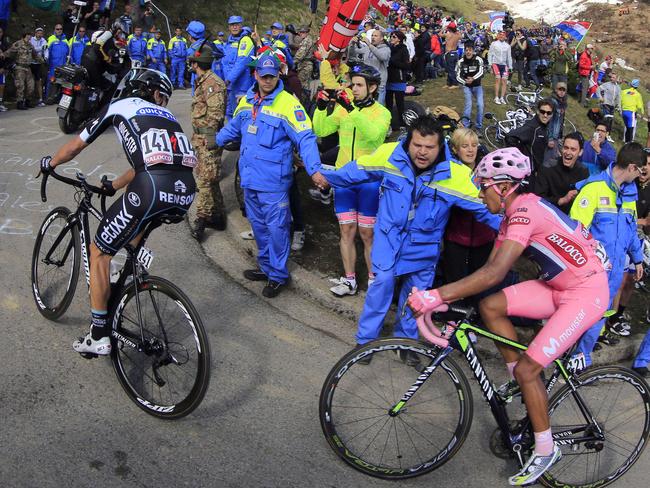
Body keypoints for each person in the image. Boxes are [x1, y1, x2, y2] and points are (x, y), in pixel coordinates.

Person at [407, 147, 609, 487]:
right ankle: (519, 377)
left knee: (533, 367)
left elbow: (494, 271)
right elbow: (490, 272)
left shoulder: (525, 212)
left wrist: (435, 295)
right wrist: (445, 299)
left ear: (502, 186)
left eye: (482, 185)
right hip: (558, 286)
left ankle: (545, 449)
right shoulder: (512, 214)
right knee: (491, 307)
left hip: (586, 293)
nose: (478, 192)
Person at [39, 68, 196, 356]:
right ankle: (123, 285)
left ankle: (98, 335)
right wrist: (113, 185)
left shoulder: (120, 106)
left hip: (151, 188)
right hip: (185, 191)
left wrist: (51, 163)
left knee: (99, 251)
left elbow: (75, 146)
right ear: (155, 93)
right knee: (133, 234)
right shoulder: (169, 118)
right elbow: (147, 164)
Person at [319, 115, 500, 353]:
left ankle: (405, 344)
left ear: (441, 147)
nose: (422, 152)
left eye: (429, 147)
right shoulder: (389, 155)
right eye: (417, 145)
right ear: (408, 143)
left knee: (415, 300)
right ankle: (365, 342)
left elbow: (489, 211)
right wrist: (324, 176)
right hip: (389, 240)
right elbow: (356, 171)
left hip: (423, 250)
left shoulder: (456, 176)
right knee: (381, 285)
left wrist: (523, 233)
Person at [216, 52, 325, 298]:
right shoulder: (247, 100)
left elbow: (305, 138)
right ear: (255, 75)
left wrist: (314, 169)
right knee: (259, 227)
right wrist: (213, 141)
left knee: (276, 229)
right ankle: (265, 268)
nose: (267, 80)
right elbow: (234, 127)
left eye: (272, 76)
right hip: (250, 179)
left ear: (278, 75)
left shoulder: (288, 103)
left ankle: (278, 275)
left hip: (274, 182)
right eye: (263, 76)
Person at [313, 64, 391, 296]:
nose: (353, 89)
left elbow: (374, 136)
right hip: (345, 180)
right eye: (352, 84)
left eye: (359, 85)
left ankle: (374, 281)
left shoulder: (382, 113)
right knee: (346, 231)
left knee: (368, 234)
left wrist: (352, 110)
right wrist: (320, 108)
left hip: (369, 181)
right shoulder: (343, 109)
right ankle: (349, 280)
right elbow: (321, 130)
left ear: (373, 87)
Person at [570, 142, 646, 368]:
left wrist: (637, 257)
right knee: (582, 317)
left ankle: (579, 363)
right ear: (632, 167)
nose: (641, 176)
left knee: (598, 319)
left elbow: (631, 230)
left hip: (614, 272)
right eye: (641, 170)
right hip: (590, 270)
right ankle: (569, 359)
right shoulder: (593, 189)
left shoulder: (630, 194)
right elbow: (575, 231)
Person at [441, 128, 496, 294]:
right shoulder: (449, 173)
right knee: (454, 279)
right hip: (456, 237)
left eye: (474, 145)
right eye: (465, 146)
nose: (471, 150)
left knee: (479, 281)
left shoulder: (488, 172)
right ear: (455, 149)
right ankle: (451, 316)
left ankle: (475, 315)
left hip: (484, 237)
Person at [188, 46, 227, 240]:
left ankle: (201, 219)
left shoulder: (212, 83)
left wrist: (209, 139)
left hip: (208, 139)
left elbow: (216, 113)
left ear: (197, 64)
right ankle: (218, 216)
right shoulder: (203, 81)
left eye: (192, 63)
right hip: (201, 137)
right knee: (211, 179)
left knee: (203, 180)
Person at [534, 132, 589, 214]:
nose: (568, 152)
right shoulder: (547, 167)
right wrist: (561, 200)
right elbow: (537, 199)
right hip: (547, 215)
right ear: (562, 149)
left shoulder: (583, 171)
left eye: (573, 149)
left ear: (580, 152)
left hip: (570, 219)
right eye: (566, 148)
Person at [505, 99, 553, 187]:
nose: (545, 115)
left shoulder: (543, 127)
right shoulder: (532, 127)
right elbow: (510, 136)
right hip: (526, 172)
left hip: (535, 170)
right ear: (538, 111)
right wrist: (518, 157)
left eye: (548, 113)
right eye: (543, 112)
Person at [221, 15, 255, 119]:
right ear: (229, 27)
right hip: (230, 86)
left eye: (237, 25)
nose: (234, 27)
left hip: (241, 86)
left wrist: (228, 80)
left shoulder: (245, 41)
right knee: (230, 114)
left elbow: (241, 63)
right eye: (232, 25)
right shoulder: (229, 42)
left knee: (242, 115)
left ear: (241, 26)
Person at [5, 31, 43, 110]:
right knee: (20, 86)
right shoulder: (18, 44)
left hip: (28, 67)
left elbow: (35, 55)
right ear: (24, 36)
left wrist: (43, 60)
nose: (29, 37)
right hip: (20, 68)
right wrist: (3, 56)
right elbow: (9, 52)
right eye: (28, 36)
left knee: (31, 86)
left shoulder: (30, 45)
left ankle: (27, 101)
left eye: (30, 36)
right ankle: (20, 103)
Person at [455, 41, 484, 131]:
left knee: (480, 105)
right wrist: (464, 82)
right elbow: (457, 75)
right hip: (466, 86)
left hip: (477, 86)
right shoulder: (460, 61)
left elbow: (481, 72)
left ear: (473, 51)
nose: (468, 52)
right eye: (466, 50)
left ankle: (478, 126)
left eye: (470, 50)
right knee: (469, 104)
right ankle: (465, 126)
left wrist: (473, 79)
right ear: (464, 50)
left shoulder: (478, 59)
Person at [386, 30, 410, 131]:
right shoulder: (389, 48)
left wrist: (392, 62)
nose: (392, 38)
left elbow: (406, 65)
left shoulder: (404, 50)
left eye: (394, 37)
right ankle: (389, 123)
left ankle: (402, 123)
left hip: (398, 79)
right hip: (389, 78)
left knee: (400, 103)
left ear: (399, 39)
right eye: (391, 36)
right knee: (388, 102)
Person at [360, 29, 390, 106]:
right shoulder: (368, 48)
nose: (373, 37)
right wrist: (352, 43)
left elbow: (382, 57)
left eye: (375, 36)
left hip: (379, 83)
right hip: (368, 81)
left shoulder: (386, 49)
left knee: (379, 106)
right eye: (372, 35)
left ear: (382, 38)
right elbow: (354, 53)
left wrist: (369, 44)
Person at [545, 81, 568, 166]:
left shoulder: (562, 103)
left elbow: (561, 122)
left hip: (556, 136)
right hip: (550, 136)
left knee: (553, 159)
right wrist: (550, 138)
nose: (561, 92)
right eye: (560, 89)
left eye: (564, 90)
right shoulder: (552, 102)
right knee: (548, 160)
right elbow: (549, 122)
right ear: (555, 90)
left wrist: (559, 137)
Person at [487, 30, 511, 105]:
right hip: (495, 63)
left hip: (504, 65)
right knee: (498, 79)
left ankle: (502, 97)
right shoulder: (494, 44)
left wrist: (510, 66)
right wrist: (489, 64)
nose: (501, 36)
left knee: (504, 81)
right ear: (498, 36)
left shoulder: (507, 46)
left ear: (505, 37)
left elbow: (509, 57)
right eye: (500, 34)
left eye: (503, 35)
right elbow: (490, 54)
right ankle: (496, 97)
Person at [45, 24, 69, 96]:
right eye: (57, 29)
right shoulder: (51, 39)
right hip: (53, 66)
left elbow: (68, 53)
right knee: (51, 82)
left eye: (60, 29)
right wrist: (47, 65)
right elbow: (46, 53)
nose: (59, 30)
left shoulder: (65, 40)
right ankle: (48, 97)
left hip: (63, 66)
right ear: (54, 30)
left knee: (62, 83)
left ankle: (58, 98)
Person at [293, 25, 315, 102]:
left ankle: (304, 103)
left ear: (307, 33)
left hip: (305, 65)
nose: (301, 33)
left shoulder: (306, 40)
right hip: (305, 64)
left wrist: (293, 62)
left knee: (302, 86)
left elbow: (300, 54)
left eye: (303, 32)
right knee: (304, 85)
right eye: (300, 32)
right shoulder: (308, 40)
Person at [621, 79, 644, 143]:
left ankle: (625, 142)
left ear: (631, 84)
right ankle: (629, 144)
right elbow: (640, 106)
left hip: (623, 112)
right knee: (631, 128)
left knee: (627, 127)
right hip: (631, 113)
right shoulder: (638, 94)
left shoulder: (624, 91)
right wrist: (642, 113)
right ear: (637, 86)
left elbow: (620, 99)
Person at [30, 27, 48, 107]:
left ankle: (40, 99)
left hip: (38, 63)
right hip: (30, 63)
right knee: (30, 81)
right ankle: (29, 99)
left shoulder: (44, 40)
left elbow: (46, 49)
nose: (40, 35)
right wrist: (40, 48)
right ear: (35, 33)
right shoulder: (31, 39)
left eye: (41, 33)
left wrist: (46, 58)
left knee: (39, 81)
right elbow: (32, 49)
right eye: (38, 33)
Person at [443, 22, 461, 89]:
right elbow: (461, 36)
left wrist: (443, 29)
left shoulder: (448, 34)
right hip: (455, 53)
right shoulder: (457, 35)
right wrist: (456, 30)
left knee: (451, 69)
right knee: (451, 69)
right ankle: (449, 83)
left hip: (450, 53)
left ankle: (455, 83)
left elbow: (439, 34)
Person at [0, 25, 7, 111]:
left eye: (0, 32)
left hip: (1, 69)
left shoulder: (4, 44)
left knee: (1, 85)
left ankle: (1, 103)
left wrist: (3, 68)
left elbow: (6, 57)